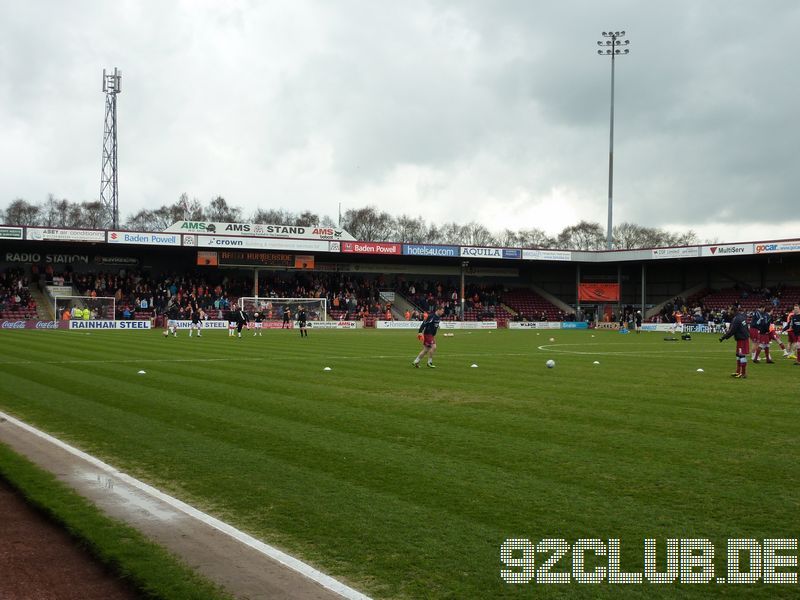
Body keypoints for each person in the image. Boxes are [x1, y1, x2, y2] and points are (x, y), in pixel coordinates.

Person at [720, 305, 750, 378]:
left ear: (733, 311)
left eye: (730, 311)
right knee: (738, 355)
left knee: (741, 355)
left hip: (742, 339)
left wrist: (723, 337)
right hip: (743, 338)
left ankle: (743, 373)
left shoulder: (736, 319)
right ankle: (738, 372)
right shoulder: (741, 316)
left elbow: (732, 331)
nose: (729, 312)